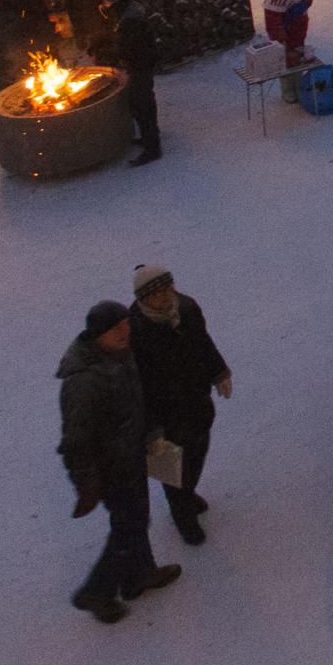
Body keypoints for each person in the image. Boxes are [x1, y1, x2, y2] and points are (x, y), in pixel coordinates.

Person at [56, 300, 182, 622]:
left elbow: (137, 402)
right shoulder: (84, 382)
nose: (125, 332)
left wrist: (152, 435)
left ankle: (140, 574)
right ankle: (96, 592)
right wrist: (86, 484)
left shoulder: (121, 356)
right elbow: (75, 442)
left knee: (136, 521)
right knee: (128, 527)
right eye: (117, 328)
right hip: (110, 469)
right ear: (98, 334)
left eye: (126, 324)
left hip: (131, 457)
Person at [126, 265, 230, 545]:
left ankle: (188, 492)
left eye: (167, 289)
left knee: (197, 453)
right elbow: (135, 389)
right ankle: (182, 513)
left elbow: (204, 343)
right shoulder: (133, 332)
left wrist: (219, 372)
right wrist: (150, 431)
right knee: (172, 466)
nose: (164, 297)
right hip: (164, 414)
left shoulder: (187, 308)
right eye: (156, 293)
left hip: (196, 400)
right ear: (143, 299)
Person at [98, 0, 161, 165]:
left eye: (108, 3)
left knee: (142, 104)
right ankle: (148, 137)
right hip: (140, 63)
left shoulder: (130, 20)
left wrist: (114, 55)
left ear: (115, 1)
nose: (105, 6)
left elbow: (129, 47)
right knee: (139, 102)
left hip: (140, 65)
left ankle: (152, 147)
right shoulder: (129, 11)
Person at [260, 0, 315, 65]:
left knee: (298, 58)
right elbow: (272, 23)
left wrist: (305, 3)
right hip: (283, 32)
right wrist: (281, 41)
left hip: (300, 28)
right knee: (287, 63)